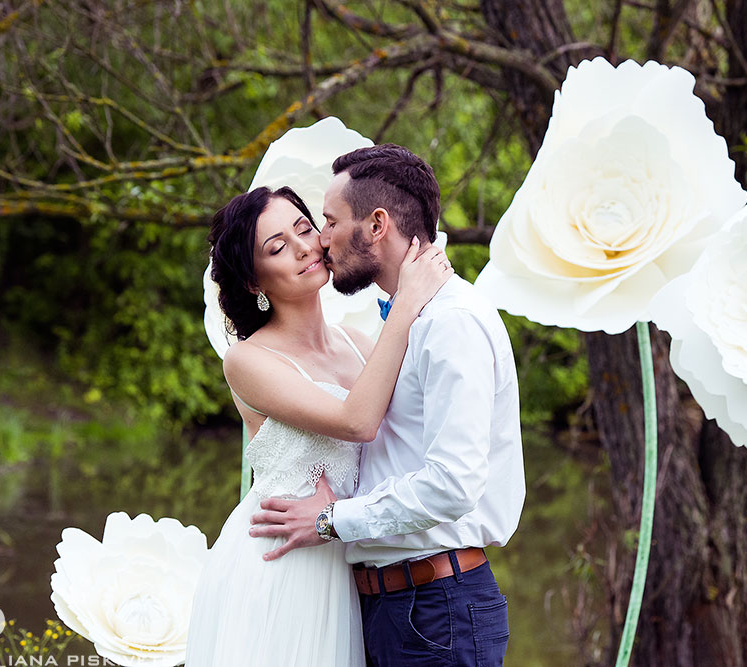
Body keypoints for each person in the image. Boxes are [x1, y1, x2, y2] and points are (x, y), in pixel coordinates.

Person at [248, 144, 526, 666]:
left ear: (376, 225)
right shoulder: (400, 323)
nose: (321, 239)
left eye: (328, 222)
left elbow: (453, 483)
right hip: (391, 606)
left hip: (436, 607)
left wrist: (332, 520)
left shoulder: (450, 324)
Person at [184, 184, 453, 667]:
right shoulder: (247, 360)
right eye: (277, 247)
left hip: (341, 560)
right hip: (275, 566)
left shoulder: (357, 343)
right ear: (253, 282)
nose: (304, 247)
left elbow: (405, 436)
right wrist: (407, 301)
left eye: (305, 229)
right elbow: (358, 422)